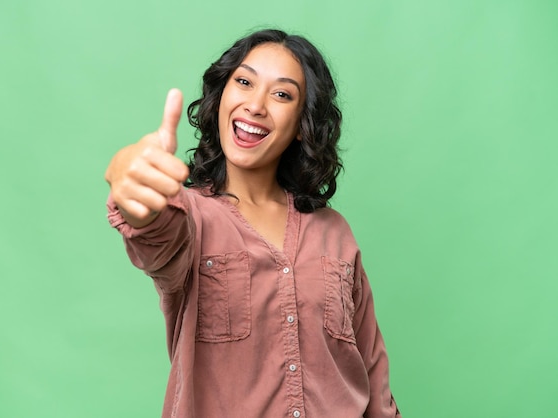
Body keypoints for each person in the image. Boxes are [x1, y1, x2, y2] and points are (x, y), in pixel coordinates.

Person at [105, 28, 401, 418]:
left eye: (282, 94)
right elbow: (155, 234)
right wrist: (133, 186)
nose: (256, 105)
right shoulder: (190, 216)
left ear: (301, 125)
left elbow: (373, 378)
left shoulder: (335, 233)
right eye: (244, 82)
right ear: (221, 97)